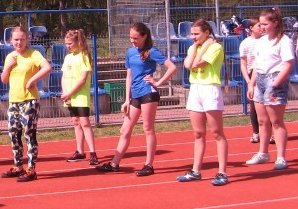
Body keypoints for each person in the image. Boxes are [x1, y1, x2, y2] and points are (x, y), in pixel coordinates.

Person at [96, 22, 177, 176]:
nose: (132, 41)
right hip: (135, 95)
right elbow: (129, 75)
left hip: (148, 93)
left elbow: (172, 67)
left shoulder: (151, 51)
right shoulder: (130, 52)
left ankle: (149, 165)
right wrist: (127, 99)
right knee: (125, 130)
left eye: (135, 38)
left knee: (148, 129)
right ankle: (114, 164)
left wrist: (158, 82)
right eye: (130, 38)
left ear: (144, 36)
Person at [177, 19, 229, 186]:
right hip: (196, 89)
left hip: (210, 89)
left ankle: (222, 172)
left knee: (217, 133)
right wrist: (195, 48)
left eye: (196, 34)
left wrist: (204, 47)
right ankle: (195, 170)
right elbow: (187, 65)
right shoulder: (194, 47)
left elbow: (197, 63)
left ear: (207, 33)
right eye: (191, 34)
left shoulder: (215, 47)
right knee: (198, 133)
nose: (193, 37)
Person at [0, 26, 52, 182]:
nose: (19, 42)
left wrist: (32, 79)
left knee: (29, 133)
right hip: (14, 100)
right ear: (11, 40)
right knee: (13, 133)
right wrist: (9, 66)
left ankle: (31, 169)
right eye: (16, 39)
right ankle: (18, 166)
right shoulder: (10, 56)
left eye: (22, 39)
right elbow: (3, 79)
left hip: (30, 100)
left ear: (27, 40)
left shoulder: (33, 54)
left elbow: (47, 67)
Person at [245, 7, 295, 170]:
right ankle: (263, 153)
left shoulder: (284, 41)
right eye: (260, 24)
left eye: (265, 24)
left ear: (275, 23)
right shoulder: (260, 42)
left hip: (275, 80)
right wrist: (251, 84)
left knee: (276, 121)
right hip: (260, 79)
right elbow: (257, 65)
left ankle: (281, 157)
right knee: (262, 120)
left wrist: (275, 84)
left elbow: (288, 65)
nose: (262, 27)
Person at [60, 29, 99, 165]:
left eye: (70, 43)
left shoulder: (84, 56)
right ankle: (80, 151)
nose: (68, 46)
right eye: (66, 43)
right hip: (69, 96)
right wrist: (65, 93)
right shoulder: (68, 58)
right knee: (76, 122)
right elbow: (64, 76)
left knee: (85, 123)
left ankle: (93, 153)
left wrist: (70, 93)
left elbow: (83, 79)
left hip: (80, 96)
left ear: (77, 42)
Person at [238, 19, 262, 143]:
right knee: (254, 105)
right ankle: (256, 132)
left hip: (264, 73)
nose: (261, 27)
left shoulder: (266, 40)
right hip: (252, 74)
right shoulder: (245, 43)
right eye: (259, 25)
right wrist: (248, 81)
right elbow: (243, 64)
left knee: (267, 105)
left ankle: (269, 132)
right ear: (251, 28)